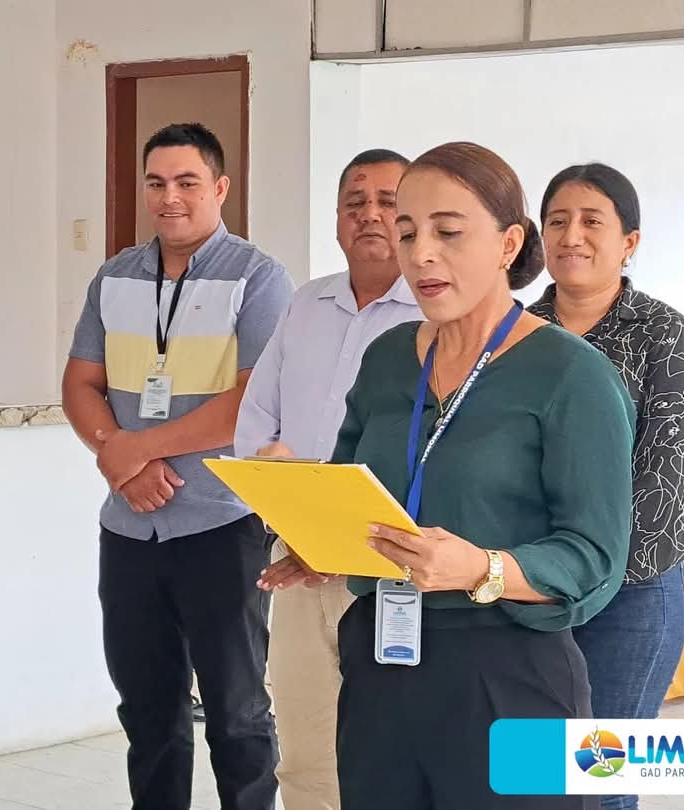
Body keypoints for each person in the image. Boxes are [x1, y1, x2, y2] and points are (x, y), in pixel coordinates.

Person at [259, 142, 636, 809]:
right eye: (408, 233)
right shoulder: (388, 360)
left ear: (508, 243)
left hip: (508, 672)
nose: (420, 254)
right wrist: (319, 537)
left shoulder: (571, 374)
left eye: (448, 232)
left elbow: (595, 557)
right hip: (382, 665)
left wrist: (480, 568)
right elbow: (355, 484)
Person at [62, 122, 293, 810]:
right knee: (148, 712)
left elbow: (252, 400)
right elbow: (80, 384)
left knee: (237, 714)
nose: (170, 197)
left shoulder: (257, 277)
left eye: (188, 182)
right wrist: (120, 458)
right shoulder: (114, 276)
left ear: (219, 188)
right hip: (130, 529)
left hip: (221, 525)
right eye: (157, 183)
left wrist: (141, 447)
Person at [235, 148, 419, 810]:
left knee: (388, 754)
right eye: (354, 202)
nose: (369, 214)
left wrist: (337, 539)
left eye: (387, 202)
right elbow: (257, 424)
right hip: (297, 562)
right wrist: (299, 526)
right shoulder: (307, 304)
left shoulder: (434, 315)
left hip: (391, 572)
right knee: (305, 746)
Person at [529, 163, 684, 810]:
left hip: (630, 595)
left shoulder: (664, 334)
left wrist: (570, 569)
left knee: (599, 783)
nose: (571, 235)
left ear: (629, 241)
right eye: (557, 221)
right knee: (533, 779)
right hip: (525, 590)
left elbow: (663, 487)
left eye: (591, 221)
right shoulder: (514, 332)